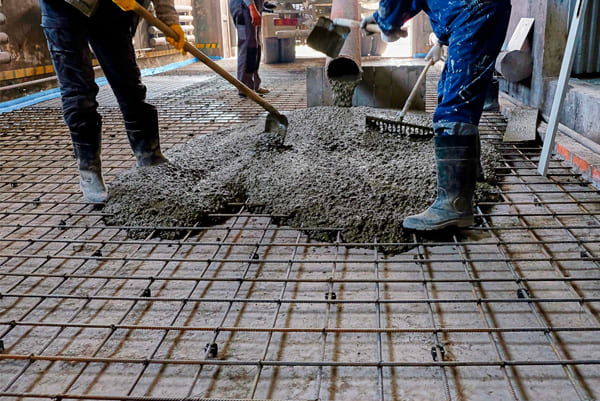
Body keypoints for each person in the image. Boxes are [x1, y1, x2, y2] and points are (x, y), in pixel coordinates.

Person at [362, 0, 511, 231]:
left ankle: (454, 204)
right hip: (479, 11)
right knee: (457, 91)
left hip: (473, 12)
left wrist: (386, 22)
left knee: (455, 104)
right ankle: (470, 175)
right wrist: (440, 41)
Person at [39, 0, 186, 203]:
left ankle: (149, 155)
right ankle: (89, 171)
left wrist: (169, 19)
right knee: (79, 92)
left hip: (111, 8)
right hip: (63, 9)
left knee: (128, 83)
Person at [229, 0, 271, 97]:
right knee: (248, 47)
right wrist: (252, 8)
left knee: (255, 47)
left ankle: (254, 85)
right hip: (244, 7)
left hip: (253, 6)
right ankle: (244, 87)